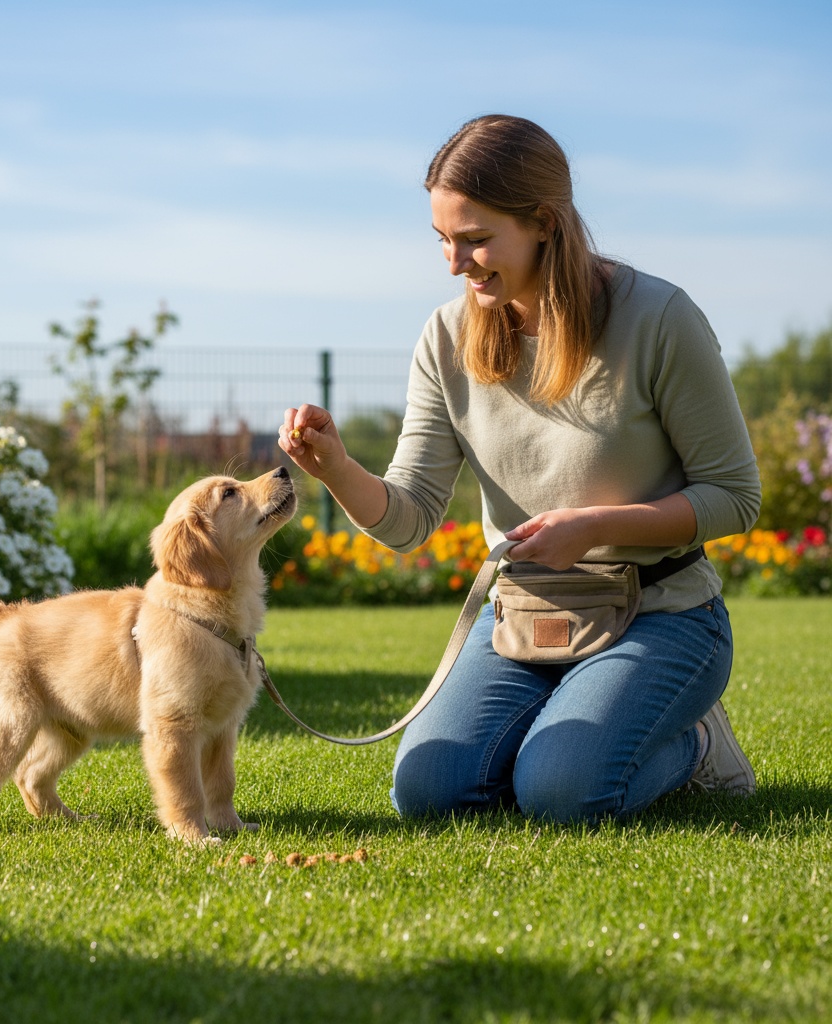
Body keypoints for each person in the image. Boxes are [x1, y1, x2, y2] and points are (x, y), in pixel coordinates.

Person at [278, 114, 761, 825]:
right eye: (443, 239)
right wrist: (339, 469)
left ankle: (695, 746)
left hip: (660, 612)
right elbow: (411, 516)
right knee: (430, 792)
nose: (454, 262)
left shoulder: (658, 318)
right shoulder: (445, 337)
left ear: (542, 222)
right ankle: (561, 738)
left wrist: (594, 526)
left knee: (562, 794)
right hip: (523, 614)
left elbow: (735, 497)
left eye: (475, 239)